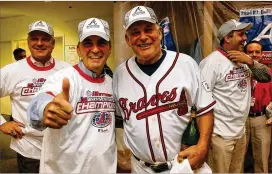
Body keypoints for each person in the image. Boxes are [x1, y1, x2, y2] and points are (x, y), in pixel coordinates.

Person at [113, 6, 216, 173]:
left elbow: (205, 109)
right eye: (135, 33)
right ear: (127, 39)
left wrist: (203, 145)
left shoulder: (186, 64)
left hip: (183, 164)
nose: (143, 37)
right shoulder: (120, 74)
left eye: (148, 29)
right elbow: (120, 120)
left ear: (160, 32)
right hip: (141, 167)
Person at [27, 17, 116, 173]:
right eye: (88, 43)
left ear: (109, 48)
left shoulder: (113, 82)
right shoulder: (63, 78)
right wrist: (46, 109)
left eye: (101, 43)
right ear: (78, 49)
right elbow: (38, 103)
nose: (95, 49)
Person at [199, 19, 271, 173]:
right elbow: (201, 101)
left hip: (240, 133)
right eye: (241, 34)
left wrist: (251, 62)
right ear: (228, 38)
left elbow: (266, 77)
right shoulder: (211, 63)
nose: (245, 38)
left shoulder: (243, 60)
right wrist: (205, 138)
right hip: (220, 136)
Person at [0, 20, 70, 173]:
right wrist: (2, 123)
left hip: (61, 147)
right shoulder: (11, 71)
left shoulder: (67, 69)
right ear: (28, 42)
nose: (39, 43)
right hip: (28, 149)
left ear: (52, 44)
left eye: (45, 39)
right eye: (34, 39)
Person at [244, 40, 272, 173]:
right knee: (239, 158)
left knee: (262, 159)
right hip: (241, 119)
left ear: (261, 54)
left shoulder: (270, 73)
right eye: (250, 52)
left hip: (262, 119)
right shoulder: (239, 73)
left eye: (257, 52)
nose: (254, 55)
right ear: (244, 54)